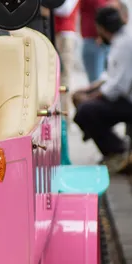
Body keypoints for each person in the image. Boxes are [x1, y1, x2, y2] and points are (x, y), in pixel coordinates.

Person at [73, 6, 132, 173]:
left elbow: (117, 86)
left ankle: (117, 151)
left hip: (127, 99)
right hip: (123, 96)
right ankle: (112, 147)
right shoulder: (121, 40)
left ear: (102, 28)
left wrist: (91, 97)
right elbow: (111, 76)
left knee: (86, 110)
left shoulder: (124, 44)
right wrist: (89, 89)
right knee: (83, 103)